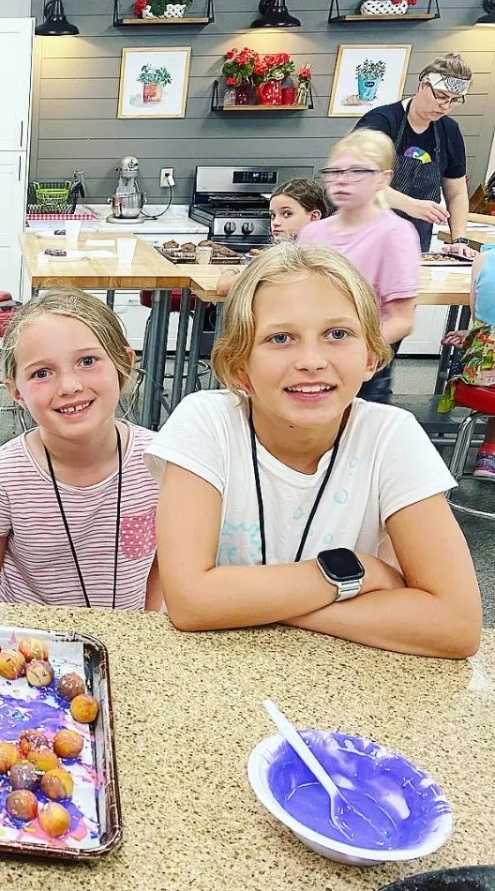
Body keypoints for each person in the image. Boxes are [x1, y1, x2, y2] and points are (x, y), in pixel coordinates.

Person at [148, 244, 480, 659]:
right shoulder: (206, 423)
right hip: (206, 663)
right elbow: (191, 602)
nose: (311, 360)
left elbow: (457, 624)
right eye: (280, 338)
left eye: (337, 334)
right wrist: (351, 574)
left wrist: (249, 605)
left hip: (339, 675)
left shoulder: (391, 437)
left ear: (371, 357)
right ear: (238, 367)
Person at [0, 289, 162, 610]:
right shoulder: (1, 477)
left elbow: (161, 567)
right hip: (29, 645)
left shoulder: (162, 463)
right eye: (42, 373)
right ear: (16, 392)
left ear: (124, 364)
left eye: (88, 361)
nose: (69, 387)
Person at [299, 130, 421, 404]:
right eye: (335, 172)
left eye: (357, 172)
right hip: (311, 357)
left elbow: (402, 320)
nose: (342, 181)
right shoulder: (312, 233)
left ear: (383, 179)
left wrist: (354, 351)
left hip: (362, 366)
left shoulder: (394, 233)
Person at [355, 54, 476, 258]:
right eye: (441, 96)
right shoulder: (381, 122)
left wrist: (459, 240)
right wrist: (412, 205)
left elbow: (456, 192)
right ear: (423, 86)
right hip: (364, 234)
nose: (446, 106)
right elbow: (359, 179)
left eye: (455, 100)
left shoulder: (449, 131)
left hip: (414, 241)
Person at [216, 178, 331, 295]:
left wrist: (230, 269)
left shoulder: (289, 259)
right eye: (272, 215)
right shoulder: (330, 253)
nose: (275, 222)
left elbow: (223, 288)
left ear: (314, 216)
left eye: (287, 214)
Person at [440, 248, 495, 479]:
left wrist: (470, 337)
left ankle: (488, 454)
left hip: (479, 378)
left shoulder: (483, 260)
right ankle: (489, 449)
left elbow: (478, 321)